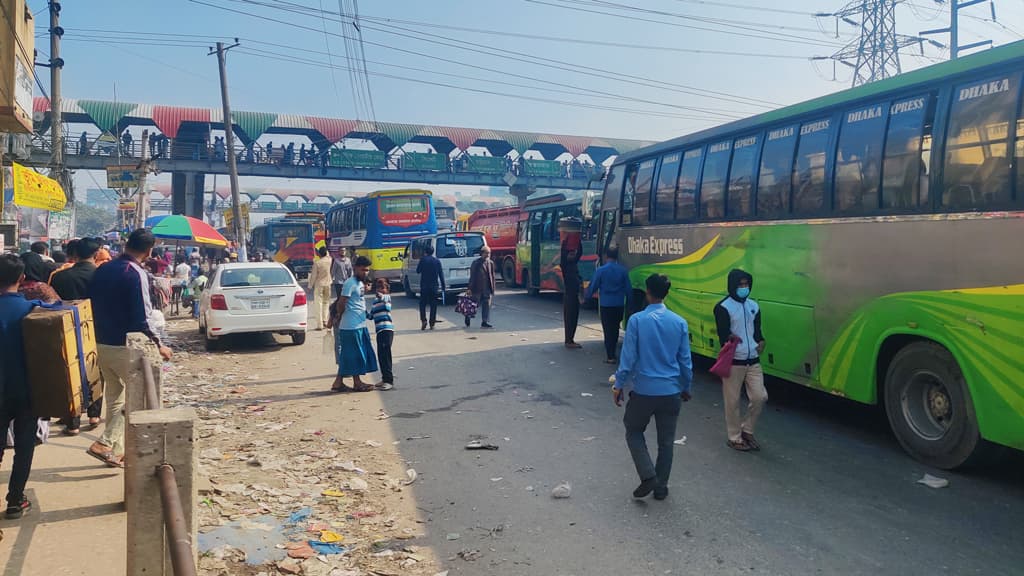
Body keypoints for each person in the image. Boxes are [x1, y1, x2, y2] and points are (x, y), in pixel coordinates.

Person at [86, 229, 172, 469]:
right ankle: (105, 442)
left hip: (101, 342)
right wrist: (159, 344)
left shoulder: (103, 269)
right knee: (140, 395)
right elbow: (143, 317)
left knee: (115, 397)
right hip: (125, 345)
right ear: (149, 250)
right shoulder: (135, 273)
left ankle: (115, 451)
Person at [612, 273, 693, 501]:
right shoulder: (679, 322)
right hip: (671, 392)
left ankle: (648, 474)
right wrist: (686, 386)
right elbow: (685, 361)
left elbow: (627, 358)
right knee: (666, 442)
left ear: (648, 292)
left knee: (634, 430)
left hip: (645, 391)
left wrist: (619, 385)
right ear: (667, 293)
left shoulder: (637, 320)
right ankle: (661, 486)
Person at [0, 254, 39, 518]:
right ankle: (15, 500)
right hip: (27, 390)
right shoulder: (33, 309)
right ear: (22, 279)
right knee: (24, 447)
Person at [713, 269, 767, 452]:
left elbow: (757, 332)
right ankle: (734, 437)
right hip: (734, 361)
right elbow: (723, 334)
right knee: (732, 401)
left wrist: (761, 341)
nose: (744, 288)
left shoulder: (754, 306)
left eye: (746, 285)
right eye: (740, 285)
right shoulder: (723, 307)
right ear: (732, 286)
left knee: (760, 396)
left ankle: (748, 429)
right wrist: (731, 339)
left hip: (753, 359)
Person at [328, 256, 376, 393]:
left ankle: (338, 383)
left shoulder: (360, 283)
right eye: (363, 270)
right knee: (355, 355)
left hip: (359, 325)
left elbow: (358, 300)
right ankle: (357, 383)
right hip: (350, 326)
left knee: (349, 355)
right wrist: (338, 316)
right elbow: (342, 302)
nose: (365, 272)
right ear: (355, 268)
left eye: (367, 270)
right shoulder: (350, 283)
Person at [585, 246, 631, 364]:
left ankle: (610, 356)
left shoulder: (601, 270)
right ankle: (613, 353)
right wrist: (630, 302)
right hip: (619, 304)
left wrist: (587, 297)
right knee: (615, 329)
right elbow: (628, 290)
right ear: (617, 256)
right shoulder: (623, 270)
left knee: (607, 330)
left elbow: (594, 286)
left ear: (606, 256)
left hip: (606, 304)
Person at [560, 222, 583, 349]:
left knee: (573, 319)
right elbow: (563, 254)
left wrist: (578, 241)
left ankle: (571, 339)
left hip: (574, 295)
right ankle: (569, 340)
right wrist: (567, 239)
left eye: (572, 254)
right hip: (569, 296)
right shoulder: (565, 266)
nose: (572, 255)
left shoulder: (574, 264)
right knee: (570, 319)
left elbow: (579, 253)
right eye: (570, 254)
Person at [370, 278, 394, 391]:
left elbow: (385, 300)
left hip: (387, 330)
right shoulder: (375, 301)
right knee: (381, 356)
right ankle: (384, 378)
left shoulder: (387, 298)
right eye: (379, 288)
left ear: (387, 290)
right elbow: (370, 316)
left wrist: (381, 295)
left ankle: (389, 380)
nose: (381, 290)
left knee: (386, 355)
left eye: (383, 288)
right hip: (379, 331)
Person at [416, 245, 445, 331]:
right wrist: (443, 285)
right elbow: (441, 274)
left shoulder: (423, 260)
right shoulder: (437, 261)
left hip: (424, 286)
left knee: (422, 304)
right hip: (434, 286)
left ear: (426, 251)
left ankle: (423, 320)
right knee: (433, 305)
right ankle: (432, 323)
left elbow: (418, 271)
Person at [468, 245, 496, 328]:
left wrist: (493, 288)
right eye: (486, 253)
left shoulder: (490, 263)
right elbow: (472, 276)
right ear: (482, 253)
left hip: (487, 288)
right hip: (477, 288)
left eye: (489, 253)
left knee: (486, 304)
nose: (488, 255)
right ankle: (468, 316)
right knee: (473, 304)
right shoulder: (476, 263)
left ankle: (485, 321)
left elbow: (492, 276)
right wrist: (470, 288)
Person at [309, 246, 333, 330]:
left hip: (319, 284)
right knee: (326, 303)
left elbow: (313, 276)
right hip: (328, 283)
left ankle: (319, 325)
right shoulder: (329, 260)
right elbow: (328, 254)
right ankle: (325, 321)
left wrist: (310, 286)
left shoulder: (317, 263)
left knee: (318, 304)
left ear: (319, 254)